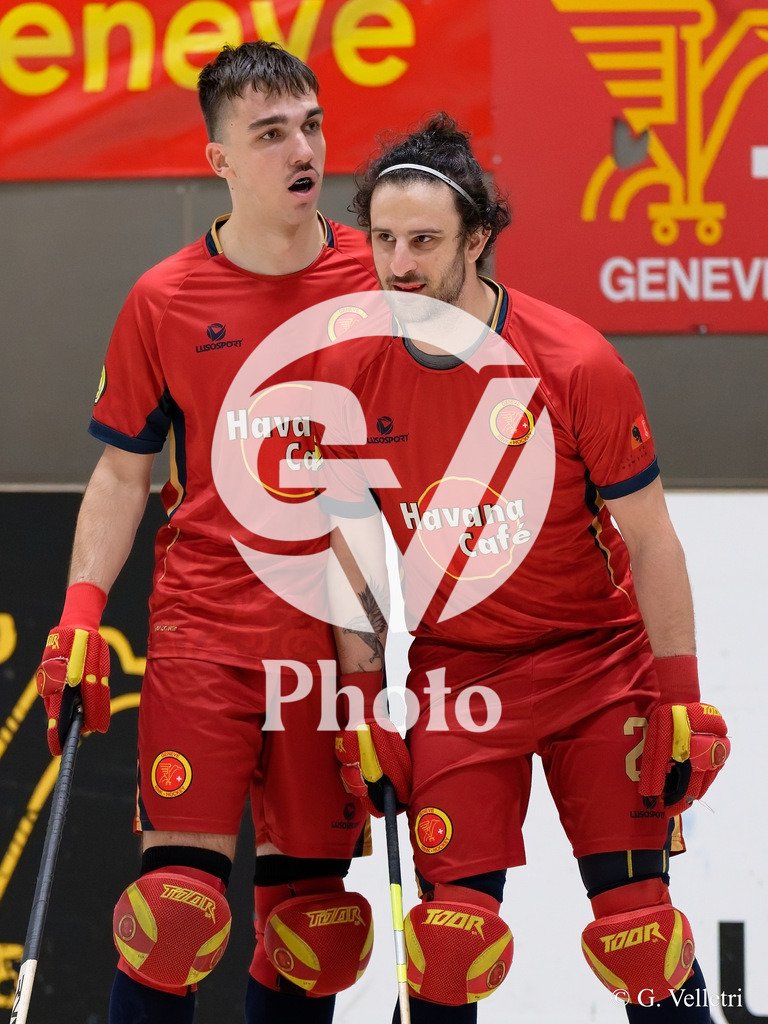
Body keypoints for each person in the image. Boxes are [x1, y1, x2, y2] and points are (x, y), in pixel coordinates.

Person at [322, 114, 730, 1023]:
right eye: (382, 239)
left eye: (424, 241)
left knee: (642, 939)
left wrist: (683, 696)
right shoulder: (349, 374)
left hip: (598, 667)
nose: (397, 263)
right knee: (446, 951)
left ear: (478, 239)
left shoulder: (575, 362)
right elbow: (352, 561)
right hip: (461, 677)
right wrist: (362, 703)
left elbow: (652, 538)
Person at [34, 41, 379, 1024]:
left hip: (333, 644)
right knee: (174, 918)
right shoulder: (165, 299)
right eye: (270, 134)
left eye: (311, 125)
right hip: (206, 632)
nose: (302, 150)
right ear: (218, 158)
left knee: (314, 932)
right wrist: (80, 615)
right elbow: (121, 473)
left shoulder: (382, 278)